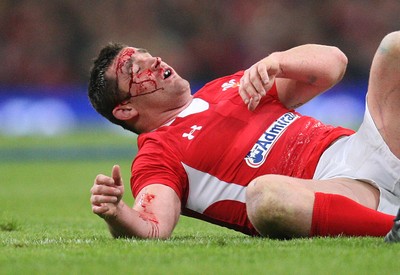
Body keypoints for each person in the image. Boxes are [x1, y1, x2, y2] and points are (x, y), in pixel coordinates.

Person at [88, 31, 400, 241]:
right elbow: (154, 227)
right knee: (265, 197)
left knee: (392, 45)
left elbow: (333, 64)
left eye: (146, 54)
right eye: (135, 68)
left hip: (365, 146)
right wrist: (117, 214)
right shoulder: (156, 155)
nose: (152, 61)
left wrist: (278, 61)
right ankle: (393, 229)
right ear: (126, 110)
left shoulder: (227, 87)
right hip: (340, 191)